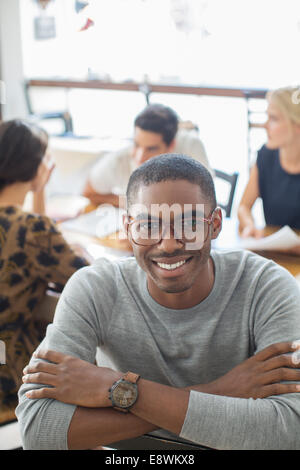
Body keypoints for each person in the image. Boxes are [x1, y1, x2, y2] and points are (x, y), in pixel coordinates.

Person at [17, 154, 300, 450]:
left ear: (214, 224)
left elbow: (290, 431)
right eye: (148, 225)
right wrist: (217, 392)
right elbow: (38, 431)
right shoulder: (94, 288)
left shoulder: (266, 286)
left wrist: (120, 391)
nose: (168, 244)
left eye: (189, 224)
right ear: (128, 227)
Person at [0, 119, 90, 412]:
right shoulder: (32, 230)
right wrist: (83, 251)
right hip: (10, 374)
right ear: (37, 167)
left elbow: (29, 239)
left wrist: (38, 192)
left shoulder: (28, 228)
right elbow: (88, 278)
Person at [82, 103, 213, 208]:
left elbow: (207, 197)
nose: (139, 157)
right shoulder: (119, 160)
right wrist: (133, 204)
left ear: (171, 145)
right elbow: (89, 192)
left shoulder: (191, 145)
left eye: (151, 149)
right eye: (136, 144)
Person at [238, 86, 300, 251]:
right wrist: (249, 225)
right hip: (277, 256)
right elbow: (244, 206)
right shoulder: (265, 155)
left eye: (273, 118)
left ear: (297, 125)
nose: (264, 125)